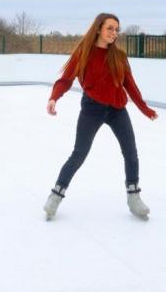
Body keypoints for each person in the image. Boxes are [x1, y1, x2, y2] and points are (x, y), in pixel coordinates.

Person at [44, 13, 158, 220]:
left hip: (117, 110)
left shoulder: (120, 56)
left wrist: (145, 109)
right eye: (110, 28)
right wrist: (54, 98)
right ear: (98, 29)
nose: (114, 33)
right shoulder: (84, 53)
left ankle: (134, 198)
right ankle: (56, 195)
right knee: (79, 153)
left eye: (116, 30)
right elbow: (66, 79)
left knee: (131, 152)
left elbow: (130, 86)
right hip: (92, 109)